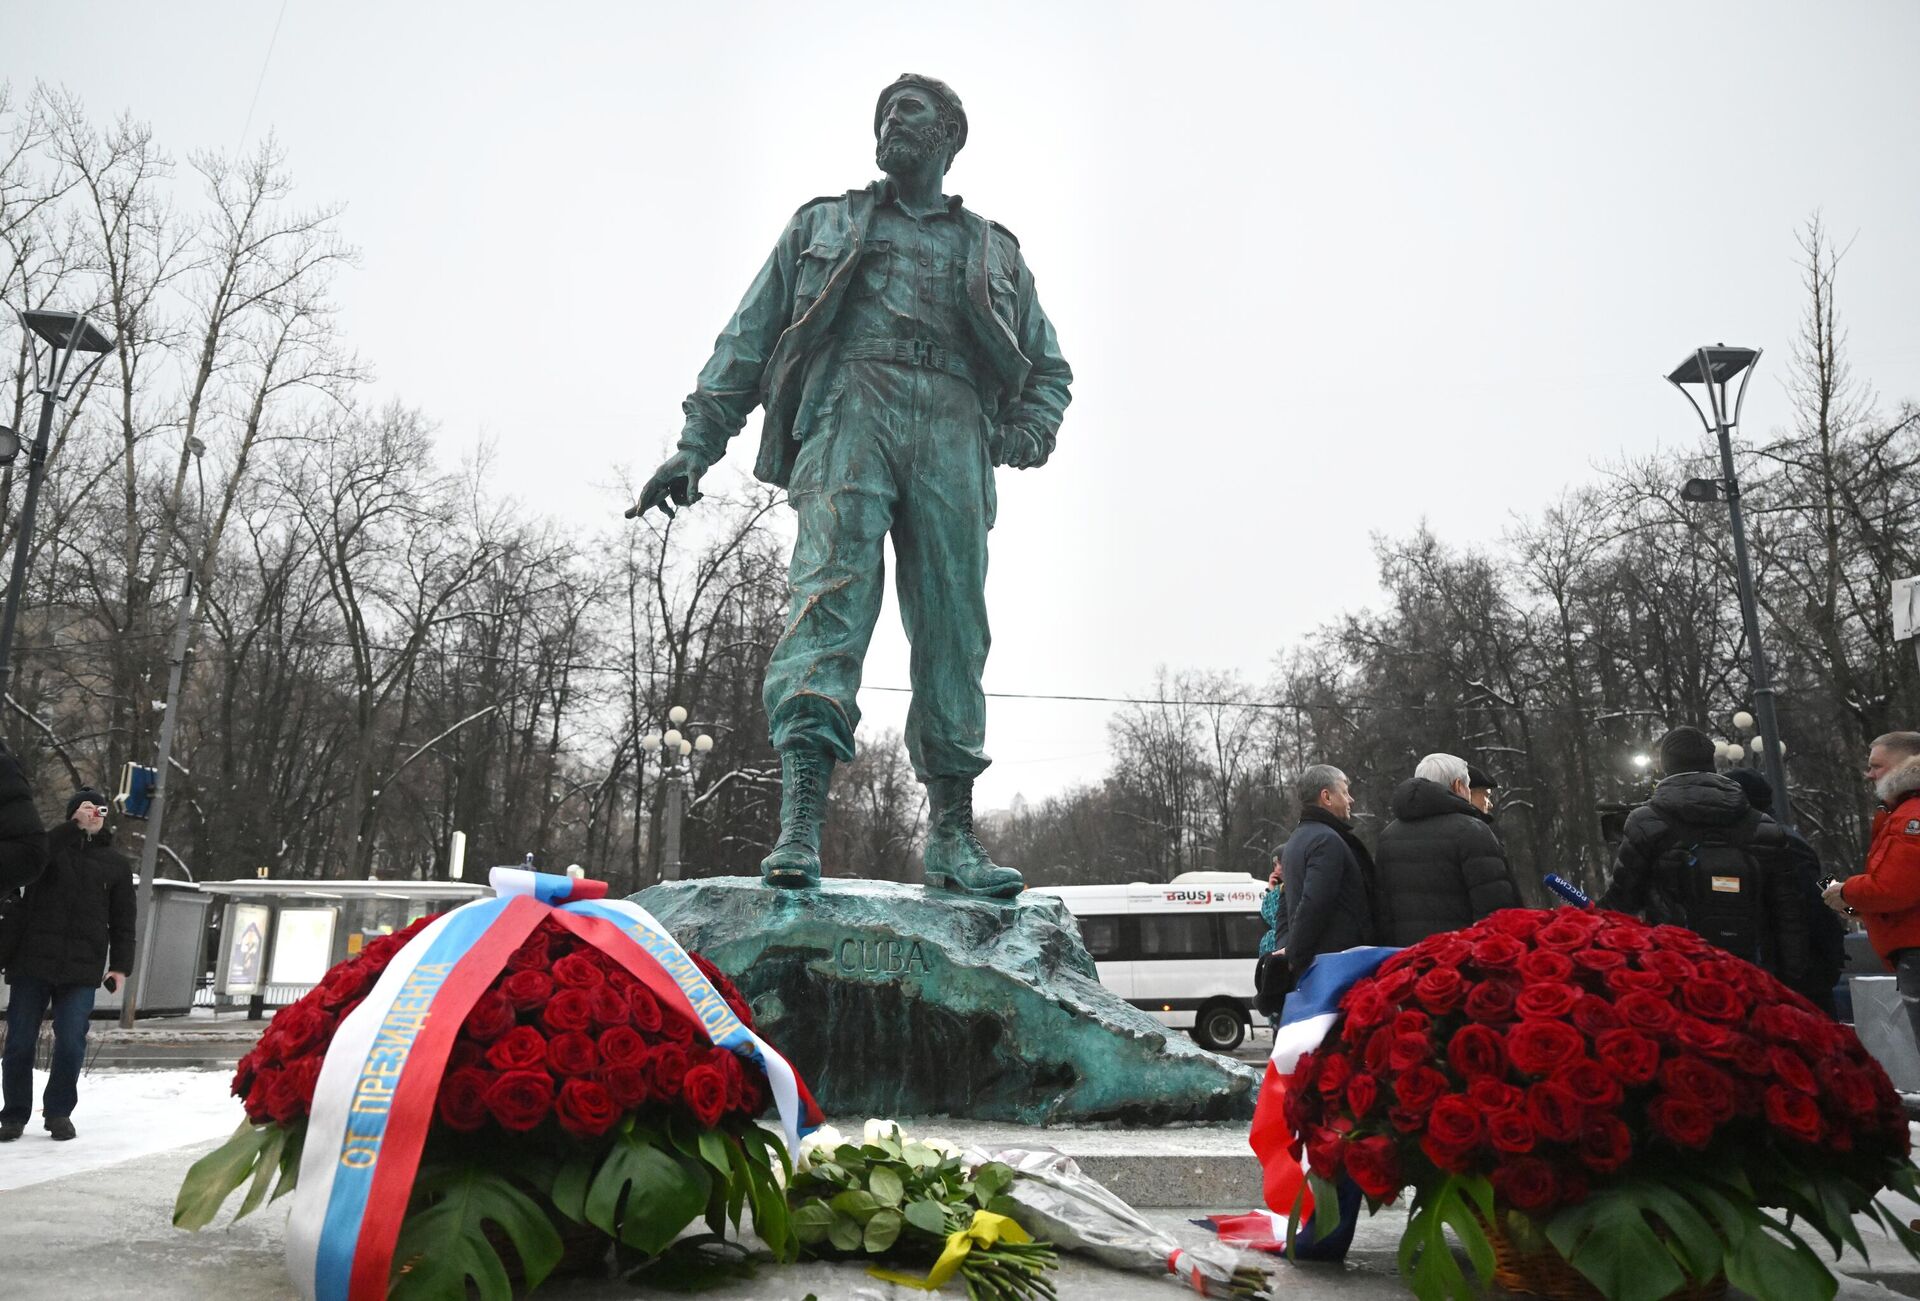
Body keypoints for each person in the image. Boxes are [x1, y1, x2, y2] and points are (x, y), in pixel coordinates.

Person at [633, 74, 1073, 899]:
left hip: (953, 424)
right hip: (849, 411)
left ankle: (951, 835)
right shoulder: (822, 225)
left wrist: (1027, 430)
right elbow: (748, 339)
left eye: (908, 112)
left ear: (949, 135)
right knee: (826, 602)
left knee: (953, 623)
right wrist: (697, 443)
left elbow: (1049, 369)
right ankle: (799, 825)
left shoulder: (994, 250)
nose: (889, 123)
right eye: (882, 114)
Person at [1599, 726, 1807, 984]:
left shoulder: (1647, 821)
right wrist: (1791, 982)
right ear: (1712, 764)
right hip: (1751, 972)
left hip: (1676, 970)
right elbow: (1788, 912)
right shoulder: (1762, 825)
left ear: (1666, 767)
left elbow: (1623, 901)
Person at [1, 789, 134, 1142]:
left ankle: (59, 1112)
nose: (95, 814)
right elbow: (30, 864)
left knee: (72, 1042)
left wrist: (120, 966)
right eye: (87, 808)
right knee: (19, 1042)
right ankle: (13, 1114)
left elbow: (123, 920)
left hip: (80, 969)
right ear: (73, 813)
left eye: (101, 809)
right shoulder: (48, 850)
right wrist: (70, 829)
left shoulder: (116, 865)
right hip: (32, 961)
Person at [1823, 732, 1920, 1047]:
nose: (1869, 774)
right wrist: (1850, 905)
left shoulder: (1911, 816)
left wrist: (1846, 891)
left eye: (1876, 765)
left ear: (1907, 764)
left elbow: (1894, 888)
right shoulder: (1900, 813)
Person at [1727, 767, 1844, 1016]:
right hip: (1801, 963)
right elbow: (1823, 879)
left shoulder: (1774, 840)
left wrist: (1830, 954)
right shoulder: (1783, 835)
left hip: (1801, 968)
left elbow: (1815, 894)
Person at [1373, 753, 1523, 946]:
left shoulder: (1388, 837)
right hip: (1460, 960)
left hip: (1409, 962)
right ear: (1458, 786)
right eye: (1468, 787)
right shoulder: (1472, 831)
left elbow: (1384, 913)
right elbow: (1495, 910)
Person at [1280, 766, 1376, 978]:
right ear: (1326, 797)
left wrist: (1288, 948)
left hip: (1316, 964)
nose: (1350, 799)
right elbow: (1314, 903)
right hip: (1338, 965)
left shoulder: (1296, 840)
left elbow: (1285, 906)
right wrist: (1294, 955)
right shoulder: (1327, 840)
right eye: (1344, 792)